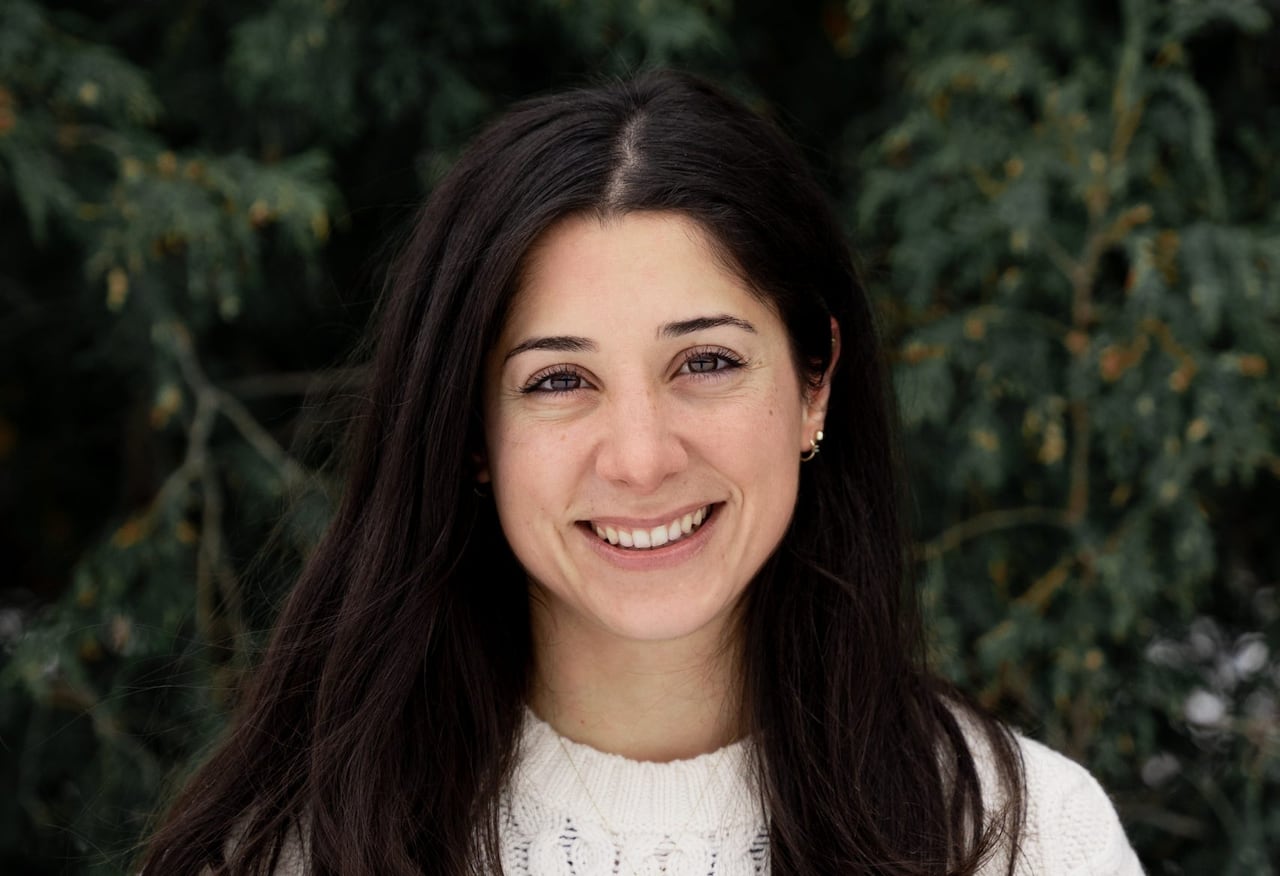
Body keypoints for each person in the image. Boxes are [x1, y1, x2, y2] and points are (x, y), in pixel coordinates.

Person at [139, 71, 1144, 875]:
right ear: (469, 434)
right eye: (558, 379)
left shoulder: (1023, 840)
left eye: (704, 363)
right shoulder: (295, 854)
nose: (639, 456)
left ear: (813, 385)